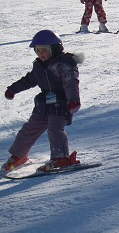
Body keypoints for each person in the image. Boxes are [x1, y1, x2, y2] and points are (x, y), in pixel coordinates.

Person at [2, 30, 82, 173]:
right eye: (37, 50)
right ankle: (19, 155)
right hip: (44, 105)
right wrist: (12, 89)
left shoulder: (64, 64)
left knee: (55, 130)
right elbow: (29, 80)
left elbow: (71, 82)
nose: (41, 54)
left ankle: (60, 158)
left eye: (44, 50)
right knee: (29, 129)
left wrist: (73, 100)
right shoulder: (39, 65)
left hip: (61, 105)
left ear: (55, 49)